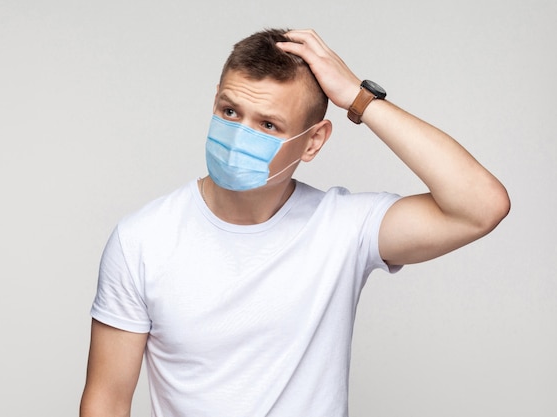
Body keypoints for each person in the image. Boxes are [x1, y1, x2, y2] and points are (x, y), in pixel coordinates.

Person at [79, 28, 510, 417]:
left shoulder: (343, 228)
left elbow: (480, 207)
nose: (239, 135)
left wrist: (358, 98)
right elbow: (107, 401)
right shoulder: (142, 240)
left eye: (267, 124)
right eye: (230, 112)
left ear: (314, 141)